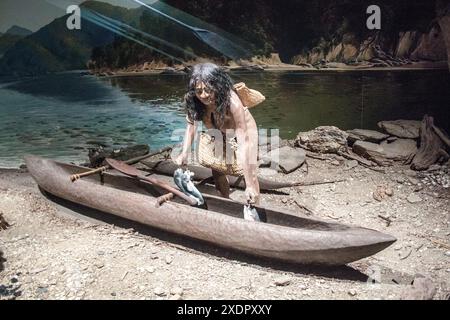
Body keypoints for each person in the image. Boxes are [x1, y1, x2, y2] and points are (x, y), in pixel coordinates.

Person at [175, 63, 260, 205]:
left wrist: (249, 184)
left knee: (250, 171)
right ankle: (225, 202)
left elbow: (243, 141)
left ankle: (255, 204)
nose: (204, 95)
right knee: (217, 169)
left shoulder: (232, 102)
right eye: (199, 91)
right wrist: (184, 153)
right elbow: (191, 127)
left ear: (218, 85)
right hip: (218, 131)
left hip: (244, 131)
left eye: (208, 90)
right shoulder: (194, 101)